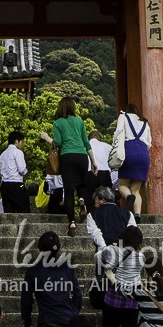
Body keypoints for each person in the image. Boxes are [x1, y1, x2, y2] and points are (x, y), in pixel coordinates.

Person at [85, 219, 144, 327]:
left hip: (112, 300)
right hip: (132, 302)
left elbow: (97, 258)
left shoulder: (112, 250)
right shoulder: (141, 257)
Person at [21, 230, 82, 327]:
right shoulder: (67, 268)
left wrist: (26, 321)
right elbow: (77, 293)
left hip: (48, 322)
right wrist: (74, 312)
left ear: (40, 248)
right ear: (58, 247)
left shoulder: (33, 270)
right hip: (68, 321)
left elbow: (26, 299)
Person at [49, 97, 94, 230]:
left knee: (68, 191)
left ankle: (72, 223)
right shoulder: (79, 121)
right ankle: (82, 201)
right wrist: (93, 161)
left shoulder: (57, 123)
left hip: (67, 156)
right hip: (82, 156)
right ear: (73, 107)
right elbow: (86, 142)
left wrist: (47, 139)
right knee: (81, 185)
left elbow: (58, 142)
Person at [111, 103, 151, 215]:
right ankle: (137, 214)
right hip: (143, 153)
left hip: (129, 151)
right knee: (136, 189)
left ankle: (129, 197)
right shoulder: (145, 122)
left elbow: (118, 132)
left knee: (122, 184)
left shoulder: (123, 116)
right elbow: (149, 143)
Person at [0, 129, 29, 213]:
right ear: (16, 141)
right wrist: (26, 171)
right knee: (24, 207)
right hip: (16, 183)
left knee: (8, 210)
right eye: (21, 141)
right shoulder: (18, 152)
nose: (22, 144)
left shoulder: (2, 154)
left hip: (4, 184)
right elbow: (21, 170)